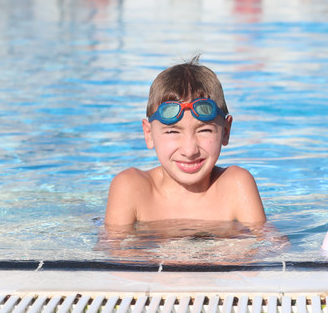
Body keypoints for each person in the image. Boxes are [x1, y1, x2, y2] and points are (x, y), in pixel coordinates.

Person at [104, 56, 266, 228]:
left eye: (204, 130)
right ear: (149, 134)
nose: (189, 150)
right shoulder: (132, 188)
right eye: (173, 131)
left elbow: (271, 247)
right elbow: (115, 252)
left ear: (225, 131)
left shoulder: (236, 185)